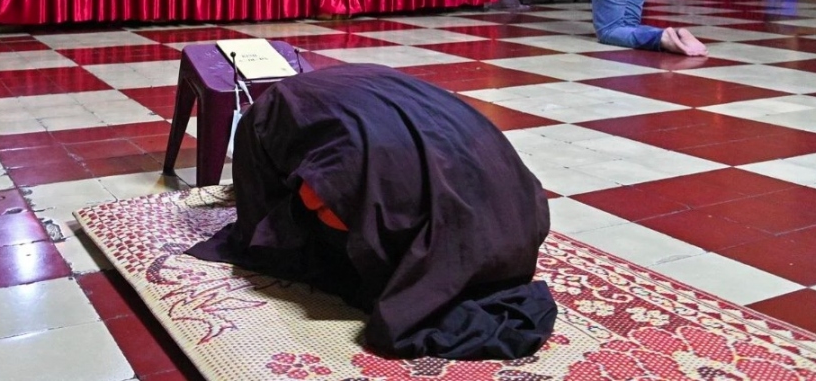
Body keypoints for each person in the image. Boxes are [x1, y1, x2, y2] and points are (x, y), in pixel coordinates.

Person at [188, 64, 556, 359]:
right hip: (522, 222)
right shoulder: (335, 99)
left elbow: (321, 203)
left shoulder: (276, 116)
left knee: (319, 211)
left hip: (455, 240)